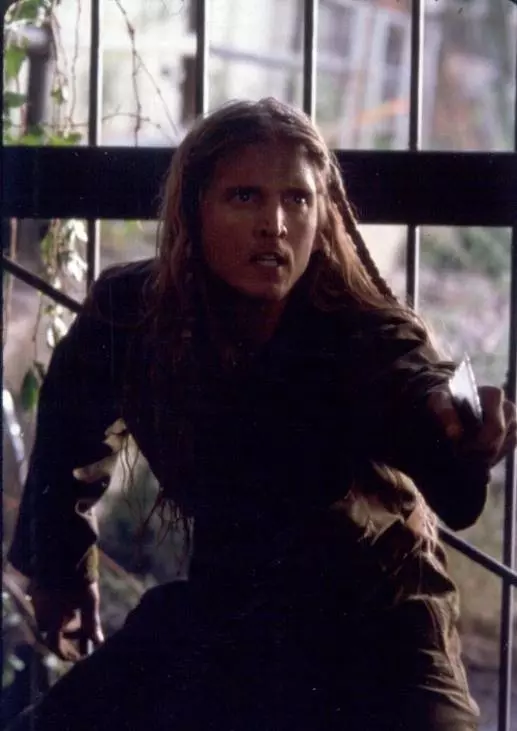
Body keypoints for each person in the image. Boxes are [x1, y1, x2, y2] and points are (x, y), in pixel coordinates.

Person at [7, 97, 516, 731]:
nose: (274, 224)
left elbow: (422, 395)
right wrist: (60, 569)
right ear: (195, 207)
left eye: (297, 199)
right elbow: (69, 423)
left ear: (320, 213)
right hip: (231, 612)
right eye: (244, 197)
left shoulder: (361, 331)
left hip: (378, 631)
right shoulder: (134, 312)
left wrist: (459, 426)